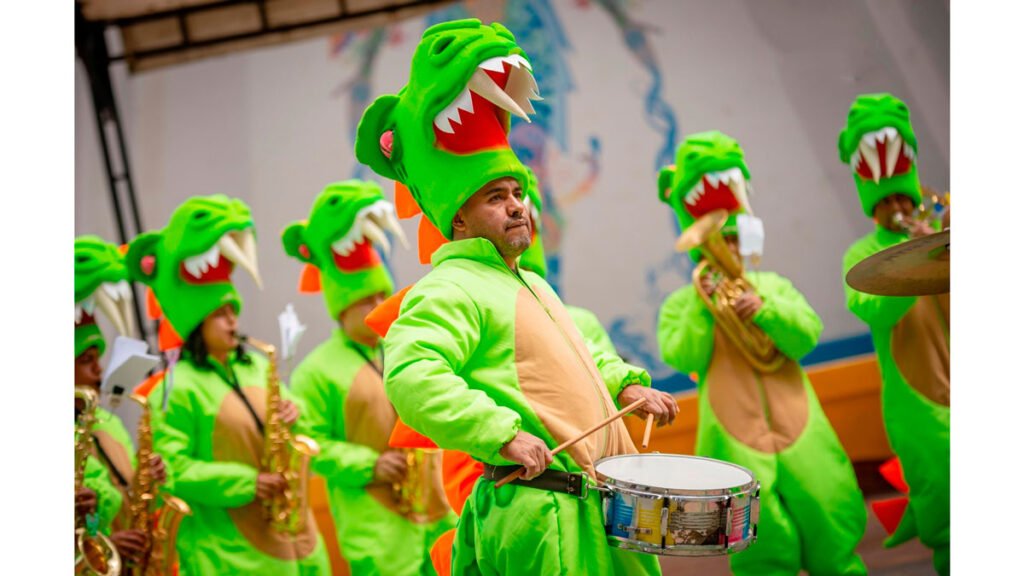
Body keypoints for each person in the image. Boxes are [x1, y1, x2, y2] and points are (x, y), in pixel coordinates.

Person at [355, 19, 675, 575]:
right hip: (543, 515)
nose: (517, 205)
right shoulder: (450, 287)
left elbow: (576, 360)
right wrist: (500, 435)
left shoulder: (528, 281)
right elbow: (411, 375)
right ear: (457, 216)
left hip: (595, 509)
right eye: (496, 196)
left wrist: (625, 382)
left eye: (519, 192)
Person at [656, 131, 867, 576]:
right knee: (760, 535)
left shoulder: (772, 286)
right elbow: (683, 354)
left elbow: (806, 335)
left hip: (800, 425)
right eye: (718, 241)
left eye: (732, 240)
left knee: (829, 508)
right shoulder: (685, 301)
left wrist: (765, 310)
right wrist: (704, 306)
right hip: (734, 436)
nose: (725, 249)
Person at [126, 195, 330, 575]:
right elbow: (174, 469)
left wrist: (293, 416)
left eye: (233, 310)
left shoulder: (255, 365)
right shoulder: (174, 388)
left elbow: (299, 433)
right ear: (196, 324)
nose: (232, 322)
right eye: (219, 314)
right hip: (224, 556)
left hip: (288, 545)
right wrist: (249, 483)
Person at [282, 180, 455, 575]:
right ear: (341, 307)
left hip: (438, 516)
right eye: (366, 300)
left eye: (382, 296)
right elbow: (311, 443)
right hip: (376, 532)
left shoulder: (407, 346)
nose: (380, 306)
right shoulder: (315, 370)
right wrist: (370, 464)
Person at [838, 93, 949, 575]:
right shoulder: (862, 254)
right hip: (918, 406)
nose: (898, 206)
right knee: (953, 519)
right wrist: (912, 255)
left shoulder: (948, 219)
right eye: (887, 201)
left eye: (903, 197)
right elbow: (874, 311)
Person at [75, 235, 166, 564]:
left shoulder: (108, 423)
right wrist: (105, 542)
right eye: (86, 360)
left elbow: (120, 502)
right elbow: (89, 520)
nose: (99, 369)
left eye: (98, 356)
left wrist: (149, 479)